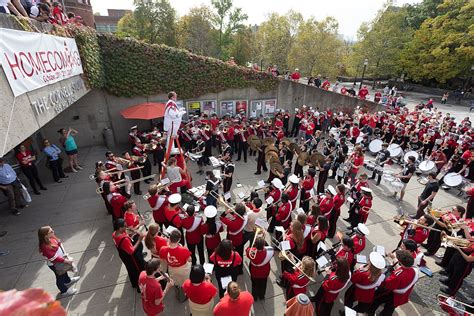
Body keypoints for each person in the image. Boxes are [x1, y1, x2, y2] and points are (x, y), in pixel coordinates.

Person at [368, 250, 419, 316]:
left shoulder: (398, 276)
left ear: (400, 262)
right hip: (401, 296)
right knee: (389, 309)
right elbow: (402, 268)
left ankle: (370, 312)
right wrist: (394, 258)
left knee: (377, 300)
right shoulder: (414, 270)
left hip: (392, 294)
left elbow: (387, 285)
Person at [38, 226, 79, 297]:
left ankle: (67, 281)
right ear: (45, 235)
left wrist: (55, 237)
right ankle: (64, 291)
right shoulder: (44, 246)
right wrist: (66, 261)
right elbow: (53, 258)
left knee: (64, 271)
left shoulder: (50, 238)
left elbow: (58, 243)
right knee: (60, 276)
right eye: (51, 232)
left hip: (60, 260)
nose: (53, 232)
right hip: (55, 264)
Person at [158, 229, 191, 302]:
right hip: (183, 269)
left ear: (169, 238)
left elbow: (162, 258)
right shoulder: (184, 250)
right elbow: (189, 259)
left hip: (172, 269)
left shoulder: (163, 249)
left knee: (175, 283)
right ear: (179, 240)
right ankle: (184, 295)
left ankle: (178, 294)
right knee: (185, 283)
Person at [112, 219, 145, 291]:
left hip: (123, 255)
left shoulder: (114, 234)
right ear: (120, 228)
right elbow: (131, 251)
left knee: (130, 269)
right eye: (125, 226)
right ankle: (140, 287)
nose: (126, 227)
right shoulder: (124, 239)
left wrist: (130, 234)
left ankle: (134, 283)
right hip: (130, 257)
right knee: (137, 270)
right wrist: (139, 239)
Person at [245, 235, 273, 300]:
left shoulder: (250, 251)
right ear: (263, 245)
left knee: (254, 284)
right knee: (263, 284)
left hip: (254, 271)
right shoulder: (270, 251)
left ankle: (254, 297)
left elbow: (247, 250)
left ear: (255, 244)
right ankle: (261, 296)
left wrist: (253, 246)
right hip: (264, 272)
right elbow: (271, 249)